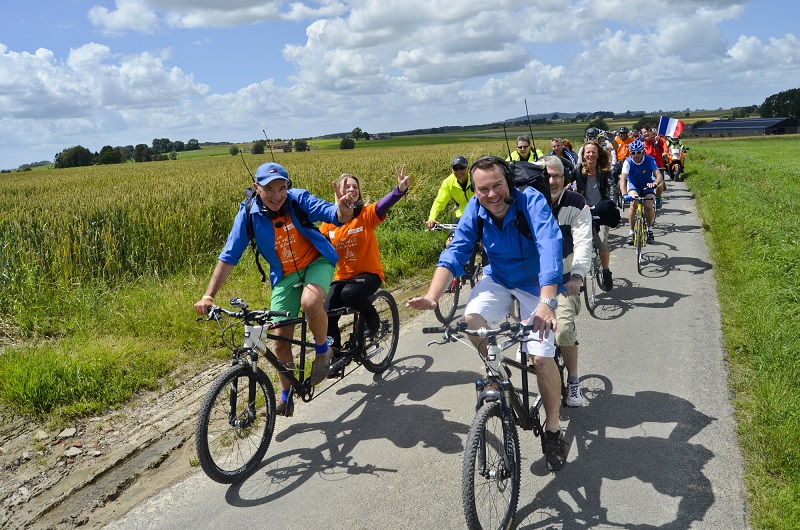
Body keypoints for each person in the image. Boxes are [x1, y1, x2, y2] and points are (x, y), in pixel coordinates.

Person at [406, 156, 568, 471]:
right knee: (470, 323)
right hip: (499, 278)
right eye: (483, 189)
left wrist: (548, 301)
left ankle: (552, 428)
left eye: (497, 186)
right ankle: (497, 371)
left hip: (537, 286)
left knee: (540, 358)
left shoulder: (530, 200)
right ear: (476, 191)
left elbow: (550, 244)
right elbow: (456, 251)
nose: (491, 195)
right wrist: (431, 296)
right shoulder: (476, 210)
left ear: (508, 182)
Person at [193, 162, 357, 416]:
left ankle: (324, 351)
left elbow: (331, 213)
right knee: (279, 341)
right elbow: (229, 256)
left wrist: (342, 211)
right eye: (270, 189)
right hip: (284, 275)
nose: (277, 195)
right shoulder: (248, 214)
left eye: (282, 188)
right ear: (257, 188)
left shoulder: (297, 199)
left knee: (311, 303)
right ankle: (286, 397)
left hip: (317, 261)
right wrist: (208, 295)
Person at [320, 166, 410, 362]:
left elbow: (382, 206)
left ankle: (373, 319)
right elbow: (318, 245)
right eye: (347, 186)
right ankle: (335, 355)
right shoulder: (329, 222)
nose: (352, 189)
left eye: (355, 187)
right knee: (326, 311)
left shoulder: (366, 214)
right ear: (339, 192)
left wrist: (399, 190)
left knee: (349, 294)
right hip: (343, 277)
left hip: (369, 274)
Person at [544, 155, 592, 407]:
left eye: (556, 176)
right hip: (535, 283)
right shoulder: (529, 202)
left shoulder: (576, 204)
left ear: (566, 178)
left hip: (564, 281)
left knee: (562, 331)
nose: (551, 181)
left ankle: (573, 381)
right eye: (547, 176)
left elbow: (583, 242)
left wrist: (576, 275)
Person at [574, 140, 619, 291]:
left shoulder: (605, 170)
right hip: (584, 210)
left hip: (602, 209)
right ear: (583, 154)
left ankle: (606, 271)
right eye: (588, 152)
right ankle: (578, 276)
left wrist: (612, 202)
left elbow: (612, 186)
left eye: (593, 152)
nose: (590, 155)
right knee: (577, 243)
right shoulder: (578, 169)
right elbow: (569, 183)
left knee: (603, 243)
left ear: (598, 154)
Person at [619, 140, 664, 244]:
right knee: (633, 204)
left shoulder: (649, 160)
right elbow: (623, 179)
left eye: (638, 152)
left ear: (643, 152)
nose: (636, 155)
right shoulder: (628, 162)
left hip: (647, 185)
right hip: (634, 185)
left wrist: (655, 184)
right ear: (630, 153)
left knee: (648, 206)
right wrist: (624, 194)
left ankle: (649, 230)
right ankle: (631, 232)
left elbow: (659, 176)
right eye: (633, 152)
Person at [425, 156, 473, 229]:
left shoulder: (476, 178)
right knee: (450, 240)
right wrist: (432, 218)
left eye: (462, 168)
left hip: (481, 215)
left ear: (468, 168)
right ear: (452, 170)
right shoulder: (448, 182)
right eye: (455, 169)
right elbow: (439, 202)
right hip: (462, 217)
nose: (459, 171)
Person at [640, 126, 668, 208]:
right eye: (644, 132)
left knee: (659, 184)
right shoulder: (641, 144)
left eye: (648, 131)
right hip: (646, 167)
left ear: (651, 132)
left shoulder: (656, 141)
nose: (646, 134)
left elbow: (664, 145)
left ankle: (658, 197)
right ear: (641, 134)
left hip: (658, 166)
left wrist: (665, 152)